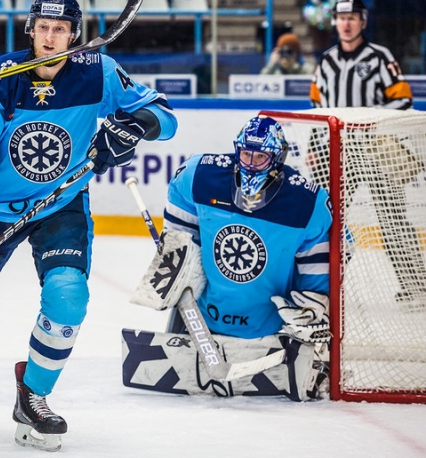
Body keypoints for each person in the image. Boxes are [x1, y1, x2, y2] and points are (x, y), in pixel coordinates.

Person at [0, 0, 178, 451]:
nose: (51, 38)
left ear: (74, 33)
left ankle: (34, 398)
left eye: (61, 29)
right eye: (43, 28)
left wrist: (135, 126)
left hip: (60, 204)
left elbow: (162, 112)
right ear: (31, 31)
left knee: (68, 296)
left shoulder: (99, 72)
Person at [123, 116, 332, 401]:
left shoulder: (306, 203)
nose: (251, 163)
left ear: (277, 158)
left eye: (261, 156)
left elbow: (320, 268)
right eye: (246, 153)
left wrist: (311, 305)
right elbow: (179, 238)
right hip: (203, 325)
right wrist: (177, 261)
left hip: (271, 333)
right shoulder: (199, 176)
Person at [311, 0, 425, 307]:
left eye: (352, 17)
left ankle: (417, 287)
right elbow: (316, 108)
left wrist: (368, 122)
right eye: (341, 18)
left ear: (363, 21)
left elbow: (402, 100)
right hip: (336, 151)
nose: (346, 23)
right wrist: (314, 147)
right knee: (322, 217)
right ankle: (315, 283)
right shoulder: (326, 62)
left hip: (375, 150)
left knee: (393, 219)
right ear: (334, 22)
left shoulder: (379, 57)